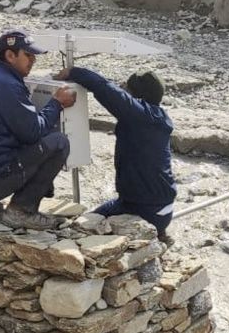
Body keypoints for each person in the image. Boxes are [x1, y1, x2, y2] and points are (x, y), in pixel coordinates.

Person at [0, 29, 76, 230]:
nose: (33, 60)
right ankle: (22, 210)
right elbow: (33, 132)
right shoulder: (7, 85)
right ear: (10, 56)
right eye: (28, 55)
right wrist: (56, 103)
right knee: (59, 142)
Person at [55, 66, 176, 241]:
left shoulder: (139, 115)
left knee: (81, 232)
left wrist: (73, 72)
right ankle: (160, 234)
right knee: (93, 216)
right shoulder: (158, 116)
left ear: (136, 96)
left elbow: (105, 88)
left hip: (145, 210)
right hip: (152, 204)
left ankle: (154, 235)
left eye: (127, 90)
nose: (123, 91)